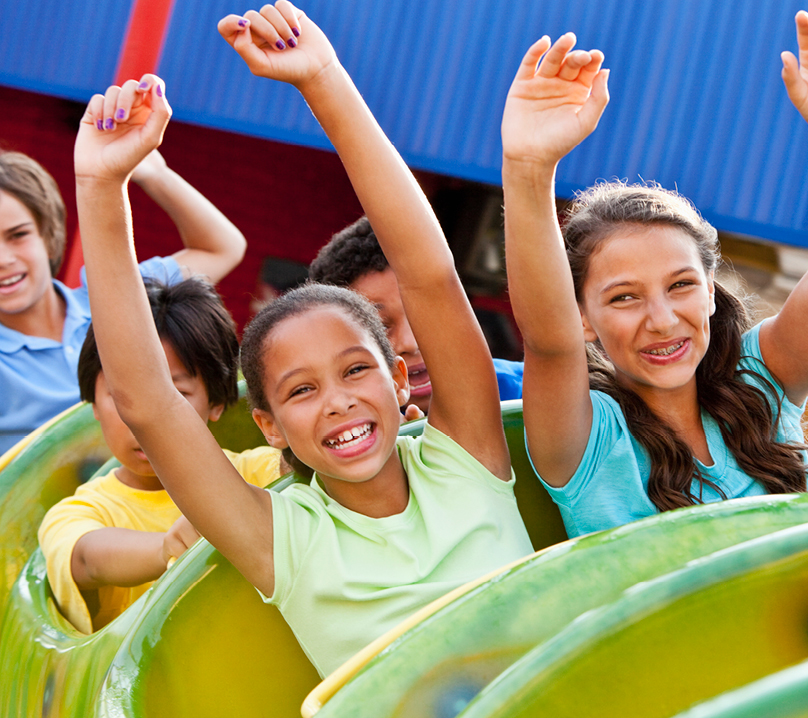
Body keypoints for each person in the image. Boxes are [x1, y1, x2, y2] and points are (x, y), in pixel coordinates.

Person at [72, 2, 532, 678]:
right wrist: (100, 185)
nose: (338, 401)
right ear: (270, 426)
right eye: (301, 390)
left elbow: (429, 274)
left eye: (355, 370)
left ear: (398, 380)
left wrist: (322, 78)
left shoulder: (466, 458)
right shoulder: (283, 538)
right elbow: (147, 401)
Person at [500, 11, 808, 536]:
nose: (661, 319)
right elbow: (548, 338)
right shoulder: (589, 440)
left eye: (681, 285)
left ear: (710, 292)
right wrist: (527, 170)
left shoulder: (758, 384)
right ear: (582, 318)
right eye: (624, 297)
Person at [37, 277, 283, 634]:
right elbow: (86, 558)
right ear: (93, 404)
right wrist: (166, 548)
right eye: (123, 395)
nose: (145, 418)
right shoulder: (85, 510)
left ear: (216, 402)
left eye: (174, 394)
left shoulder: (259, 473)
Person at [0, 147, 247, 454]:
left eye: (18, 235)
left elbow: (223, 248)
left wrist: (154, 174)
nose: (4, 259)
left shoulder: (114, 293)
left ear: (48, 236)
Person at [308, 216, 523, 416]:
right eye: (379, 327)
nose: (410, 344)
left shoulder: (526, 395)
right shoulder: (336, 429)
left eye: (424, 315)